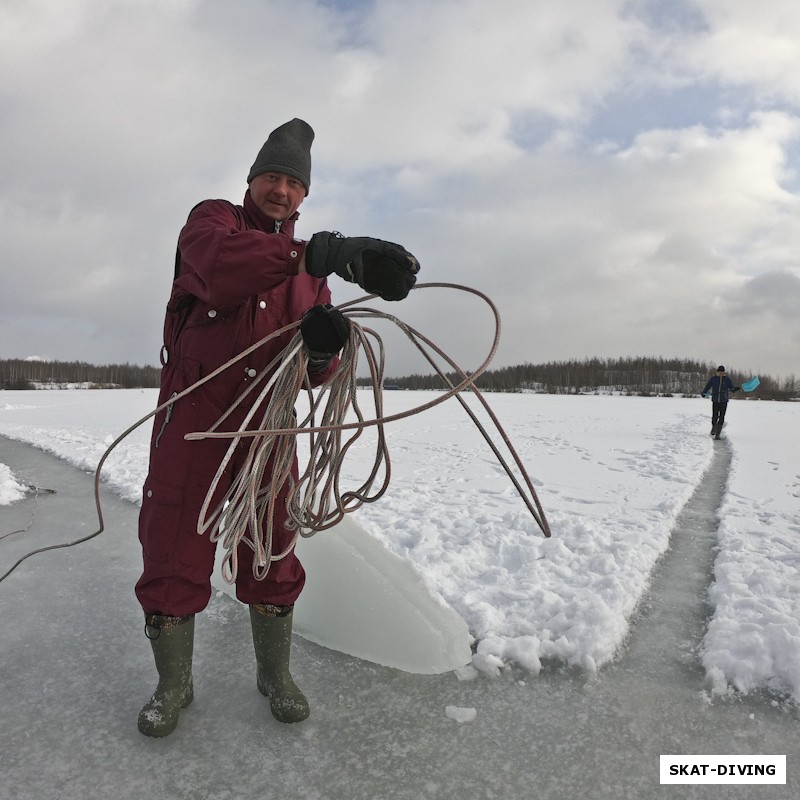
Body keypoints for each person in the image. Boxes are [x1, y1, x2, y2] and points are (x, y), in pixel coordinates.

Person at [135, 118, 419, 737]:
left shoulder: (311, 277)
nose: (282, 191)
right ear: (252, 180)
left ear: (305, 195)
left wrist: (322, 351)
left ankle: (275, 673)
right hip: (195, 417)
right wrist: (318, 253)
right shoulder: (212, 222)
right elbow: (218, 265)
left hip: (269, 428)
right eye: (273, 177)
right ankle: (173, 683)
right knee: (173, 544)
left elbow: (317, 374)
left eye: (294, 183)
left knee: (273, 543)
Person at [702, 365, 740, 440]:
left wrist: (735, 389)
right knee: (715, 416)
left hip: (724, 401)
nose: (721, 373)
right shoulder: (713, 379)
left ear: (724, 372)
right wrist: (704, 392)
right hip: (715, 400)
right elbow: (708, 386)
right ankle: (713, 427)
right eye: (720, 372)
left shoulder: (727, 380)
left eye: (722, 372)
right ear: (717, 372)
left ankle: (717, 434)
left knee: (722, 417)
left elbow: (731, 388)